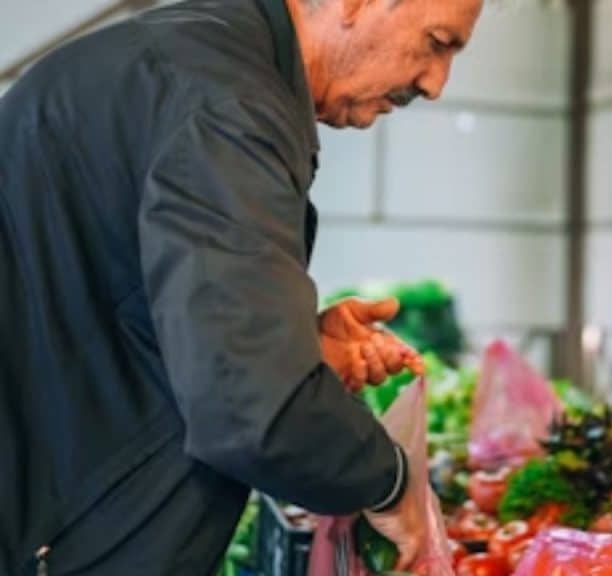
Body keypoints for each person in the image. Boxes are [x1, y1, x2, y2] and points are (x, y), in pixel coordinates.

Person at [0, 0, 482, 573]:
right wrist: (391, 479)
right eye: (437, 42)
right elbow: (253, 410)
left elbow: (117, 310)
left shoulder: (196, 63)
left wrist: (295, 344)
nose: (435, 83)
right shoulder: (227, 107)